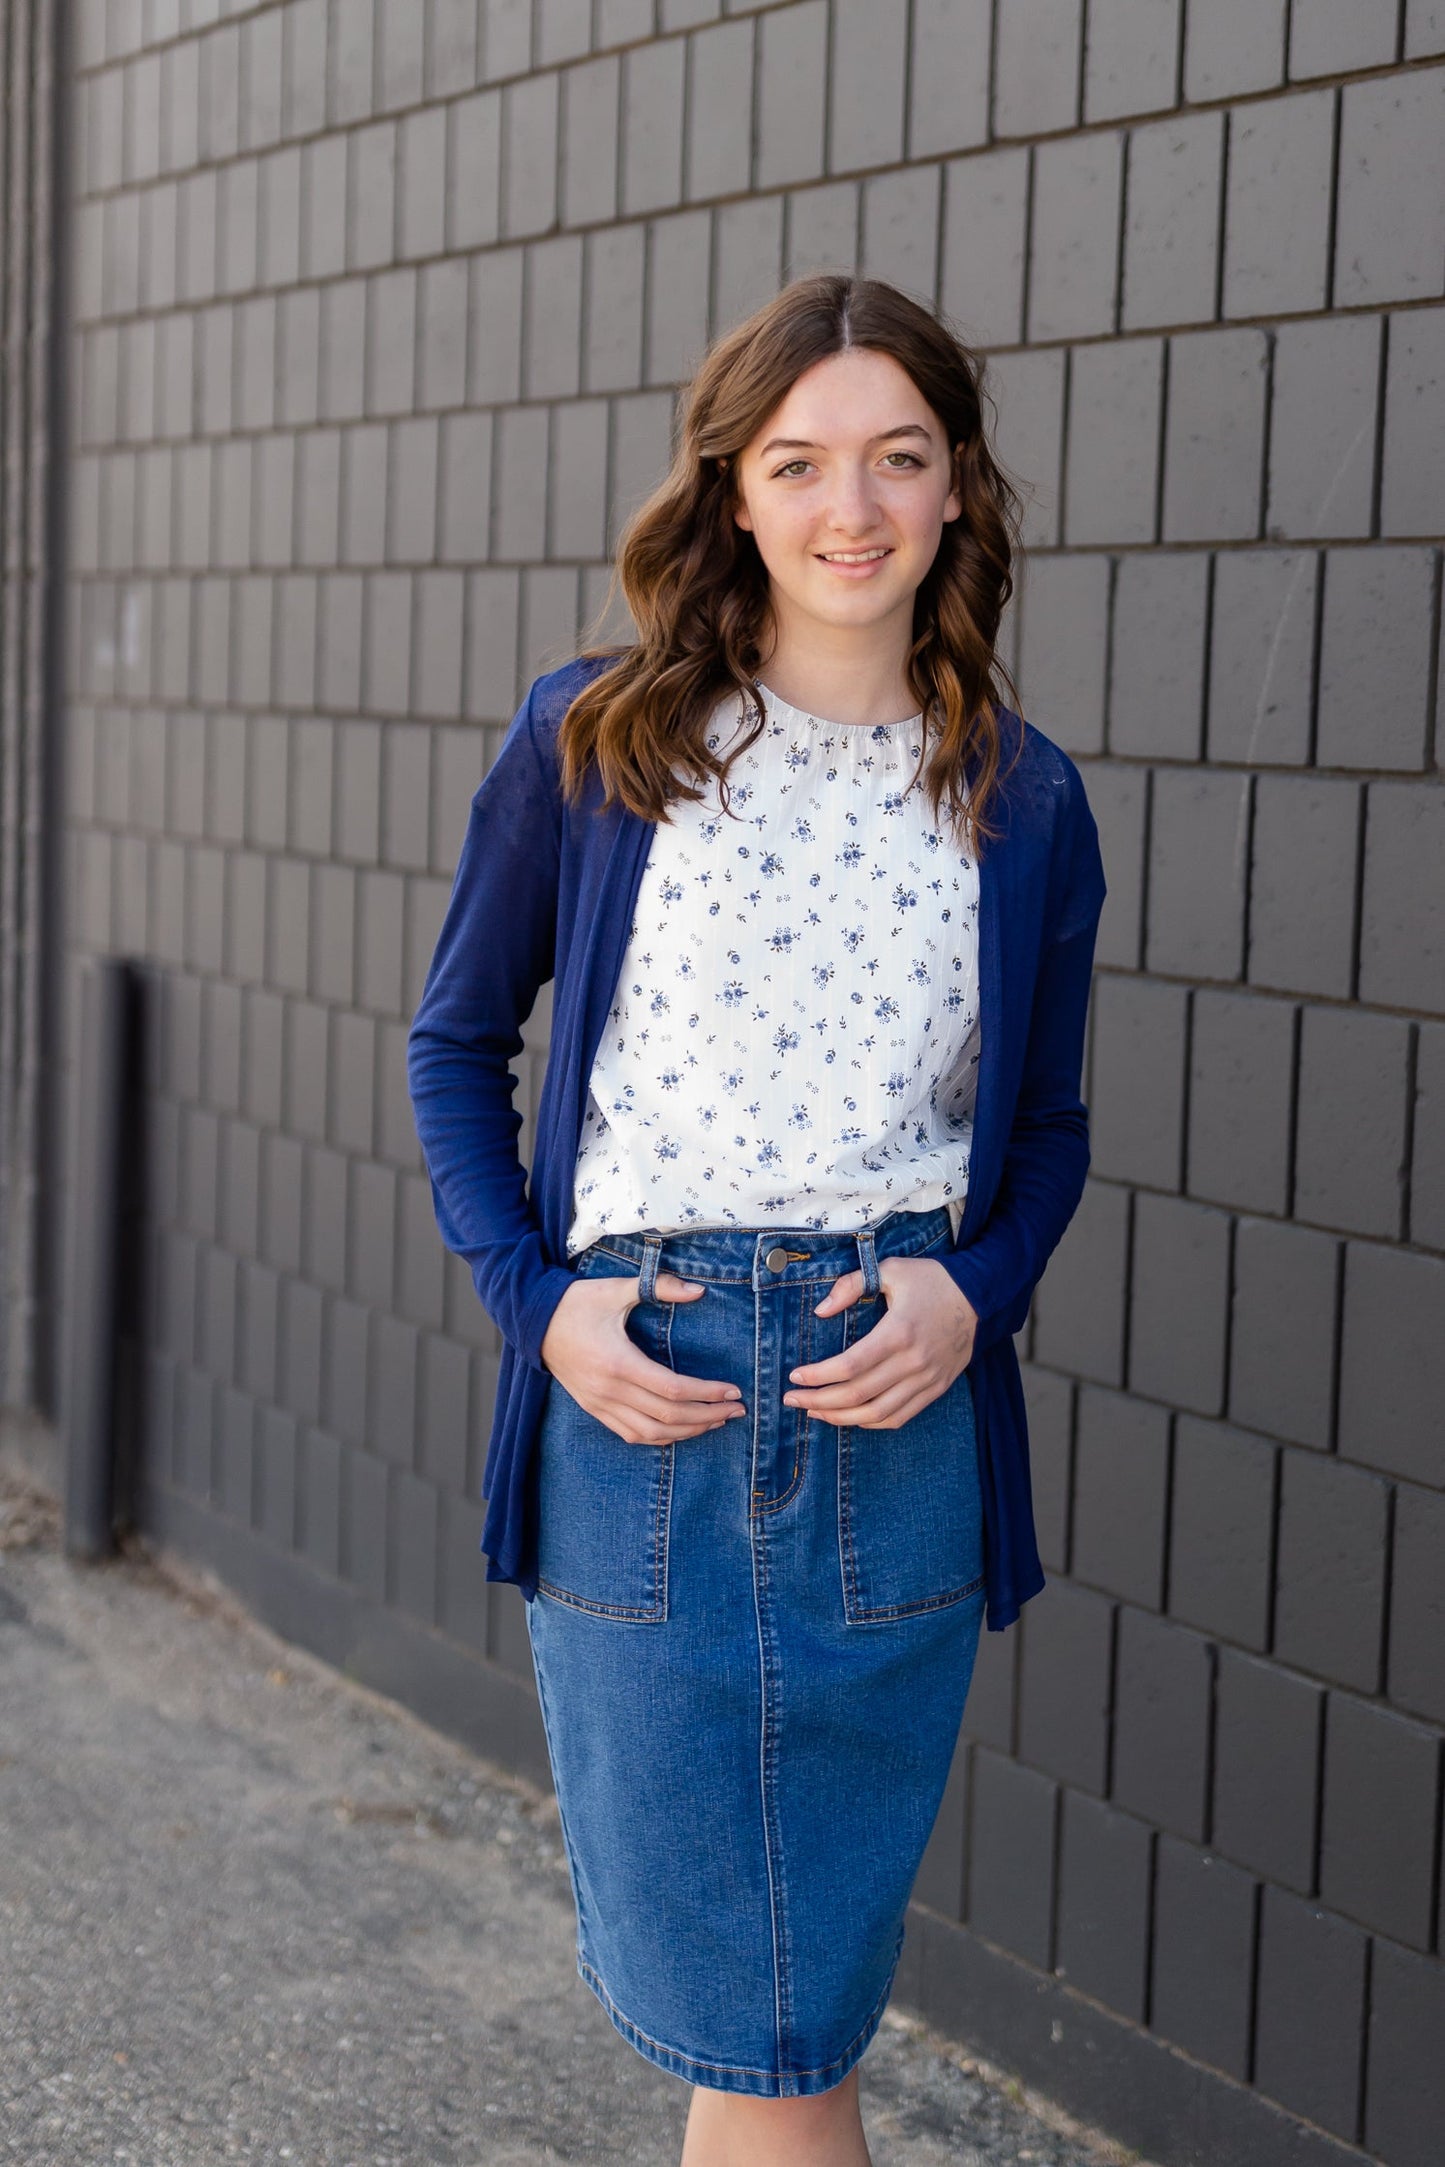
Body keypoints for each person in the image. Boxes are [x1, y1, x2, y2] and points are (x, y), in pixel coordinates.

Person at [407, 274, 1106, 2167]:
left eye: (898, 458)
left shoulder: (1020, 803)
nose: (850, 508)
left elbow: (1040, 1133)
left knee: (788, 2018)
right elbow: (457, 1046)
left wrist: (975, 1297)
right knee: (765, 2021)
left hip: (896, 1416)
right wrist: (536, 1304)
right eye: (798, 463)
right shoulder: (603, 745)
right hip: (648, 1401)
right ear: (731, 493)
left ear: (959, 488)